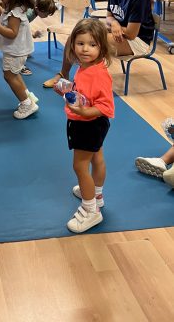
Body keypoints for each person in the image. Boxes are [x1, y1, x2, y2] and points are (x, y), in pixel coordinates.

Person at [43, 0, 155, 88]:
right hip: (119, 32)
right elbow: (109, 16)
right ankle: (63, 74)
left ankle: (86, 83)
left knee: (92, 45)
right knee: (74, 37)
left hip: (137, 41)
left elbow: (131, 34)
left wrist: (115, 26)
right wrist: (114, 23)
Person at [59, 18, 114, 233]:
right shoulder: (87, 67)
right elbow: (86, 94)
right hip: (92, 124)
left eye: (92, 44)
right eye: (80, 43)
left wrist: (82, 112)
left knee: (80, 166)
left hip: (87, 124)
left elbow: (105, 106)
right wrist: (68, 90)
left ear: (102, 47)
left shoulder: (97, 73)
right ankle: (96, 196)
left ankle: (91, 210)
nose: (85, 49)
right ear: (73, 44)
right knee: (97, 158)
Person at [21, 0, 57, 75]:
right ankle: (20, 65)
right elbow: (20, 29)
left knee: (25, 41)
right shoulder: (29, 14)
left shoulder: (34, 11)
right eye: (46, 14)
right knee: (20, 45)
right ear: (37, 9)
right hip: (14, 29)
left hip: (19, 27)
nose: (47, 16)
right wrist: (33, 34)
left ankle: (24, 53)